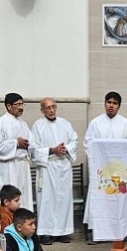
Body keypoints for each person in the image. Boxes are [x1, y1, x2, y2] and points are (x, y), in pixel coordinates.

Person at [83, 91, 127, 245]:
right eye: (109, 102)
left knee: (120, 198)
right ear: (104, 104)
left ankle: (122, 232)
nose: (111, 106)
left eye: (115, 103)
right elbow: (88, 143)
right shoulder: (95, 123)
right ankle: (96, 232)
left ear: (119, 106)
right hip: (102, 170)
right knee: (99, 199)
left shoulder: (125, 124)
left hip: (119, 169)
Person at [29, 97, 77, 245]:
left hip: (63, 166)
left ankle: (62, 232)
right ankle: (45, 233)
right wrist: (52, 150)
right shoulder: (38, 126)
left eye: (53, 107)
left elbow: (74, 140)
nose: (51, 110)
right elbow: (33, 148)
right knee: (47, 200)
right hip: (47, 166)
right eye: (47, 108)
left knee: (63, 199)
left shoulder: (65, 124)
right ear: (42, 110)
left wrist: (65, 149)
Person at [0, 94, 33, 211]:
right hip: (9, 167)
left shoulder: (23, 124)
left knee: (24, 200)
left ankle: (24, 226)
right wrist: (16, 143)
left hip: (23, 166)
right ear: (9, 106)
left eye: (22, 104)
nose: (21, 107)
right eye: (18, 104)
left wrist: (30, 145)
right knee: (11, 199)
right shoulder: (2, 122)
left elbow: (33, 143)